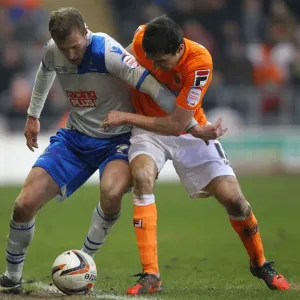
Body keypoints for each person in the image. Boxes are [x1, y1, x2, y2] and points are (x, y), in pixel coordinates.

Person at [0, 8, 215, 292]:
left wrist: (190, 126)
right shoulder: (54, 50)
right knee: (23, 205)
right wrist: (32, 115)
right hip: (75, 138)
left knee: (112, 193)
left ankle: (85, 260)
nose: (72, 54)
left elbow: (155, 89)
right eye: (66, 49)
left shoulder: (109, 51)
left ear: (86, 32)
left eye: (76, 47)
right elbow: (44, 72)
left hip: (118, 139)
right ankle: (12, 277)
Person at [103, 15, 290, 294]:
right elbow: (120, 66)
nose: (154, 68)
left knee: (235, 200)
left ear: (179, 50)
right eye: (151, 60)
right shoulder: (143, 38)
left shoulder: (199, 63)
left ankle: (260, 263)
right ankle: (151, 275)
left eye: (161, 62)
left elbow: (176, 124)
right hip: (147, 131)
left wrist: (124, 116)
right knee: (142, 177)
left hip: (189, 130)